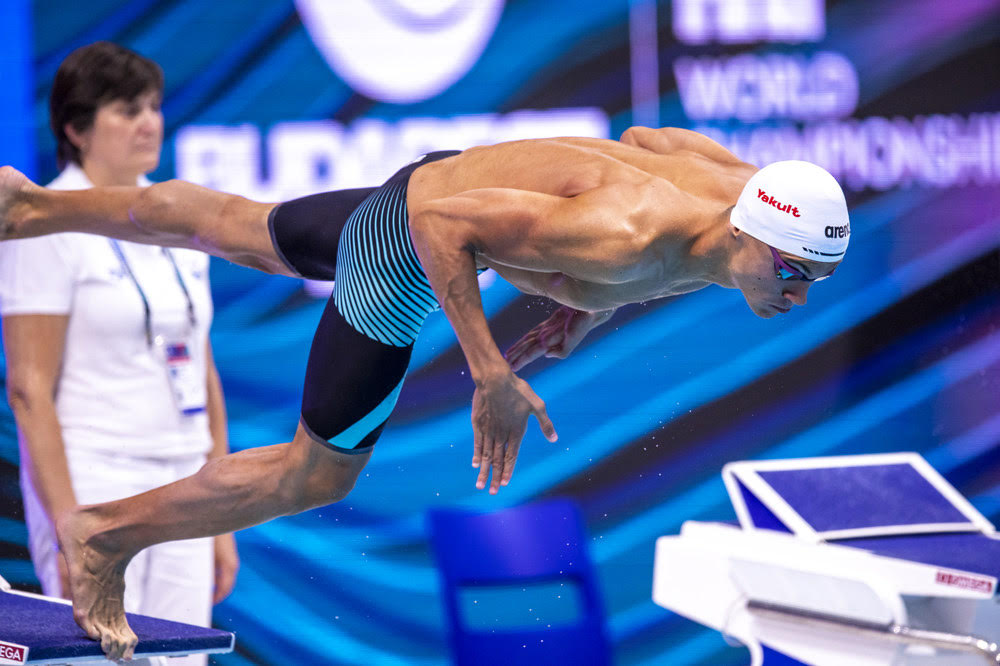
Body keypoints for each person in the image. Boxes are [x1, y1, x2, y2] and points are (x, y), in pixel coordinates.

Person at [0, 126, 849, 660]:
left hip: (440, 175)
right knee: (315, 475)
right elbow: (445, 228)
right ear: (750, 231)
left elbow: (645, 135)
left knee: (242, 229)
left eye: (814, 279)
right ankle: (105, 537)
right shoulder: (625, 232)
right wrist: (490, 370)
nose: (797, 295)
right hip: (409, 240)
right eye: (792, 272)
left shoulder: (733, 185)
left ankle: (35, 206)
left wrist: (583, 308)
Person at [0, 42, 237, 664]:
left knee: (185, 660)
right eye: (128, 110)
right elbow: (28, 389)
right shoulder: (43, 223)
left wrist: (226, 509)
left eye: (154, 106)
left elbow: (201, 362)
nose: (149, 122)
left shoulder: (180, 211)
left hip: (187, 479)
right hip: (97, 477)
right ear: (77, 129)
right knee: (103, 659)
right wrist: (68, 525)